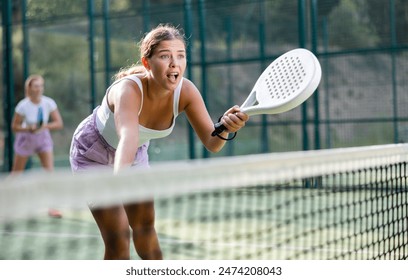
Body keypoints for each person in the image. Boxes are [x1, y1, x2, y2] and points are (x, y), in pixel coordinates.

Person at [69, 24, 249, 260]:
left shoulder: (186, 92)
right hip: (92, 154)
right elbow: (128, 138)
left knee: (146, 231)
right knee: (119, 239)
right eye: (165, 56)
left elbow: (212, 142)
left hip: (134, 155)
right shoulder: (128, 90)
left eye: (180, 56)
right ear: (147, 63)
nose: (175, 63)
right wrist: (117, 184)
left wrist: (227, 127)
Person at [11, 74, 64, 218]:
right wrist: (29, 128)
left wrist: (44, 126)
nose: (39, 89)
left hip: (43, 138)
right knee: (16, 174)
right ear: (30, 88)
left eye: (41, 86)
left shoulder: (49, 103)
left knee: (49, 174)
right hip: (26, 139)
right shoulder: (23, 105)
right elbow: (15, 127)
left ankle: (52, 208)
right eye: (36, 86)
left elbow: (58, 123)